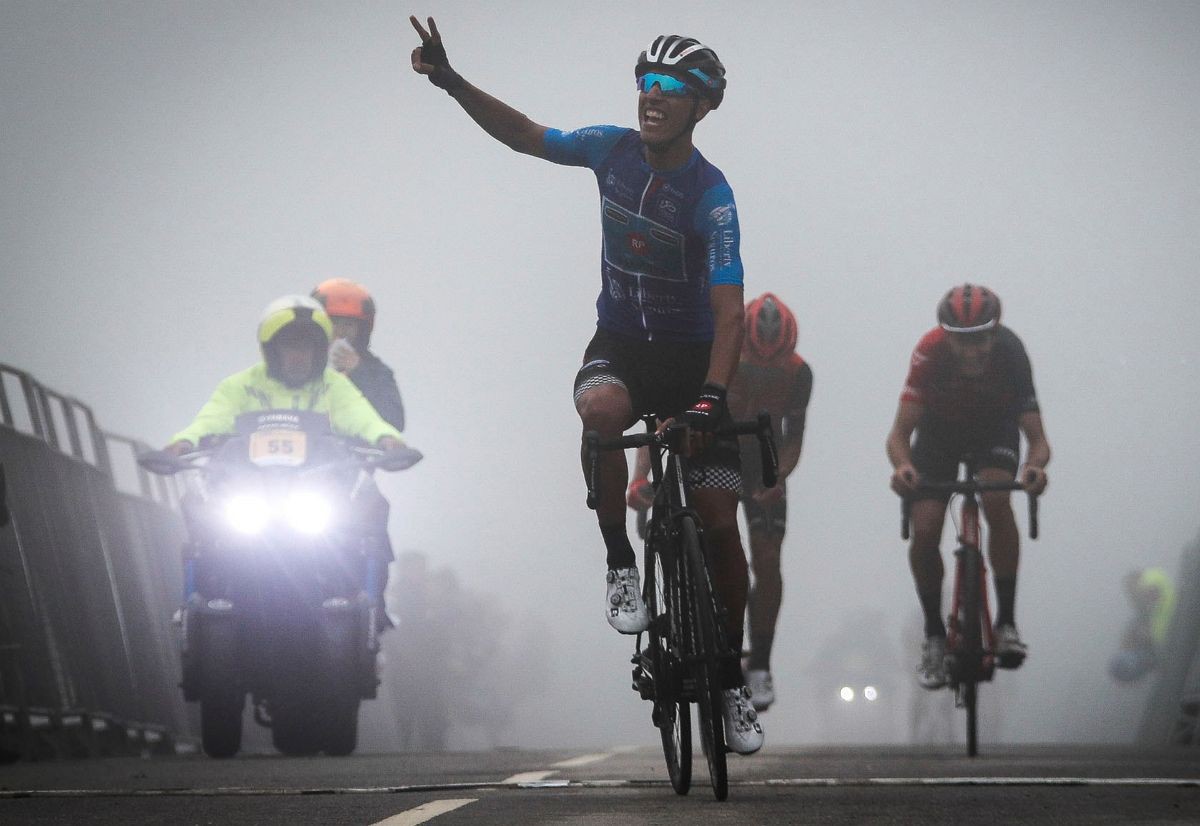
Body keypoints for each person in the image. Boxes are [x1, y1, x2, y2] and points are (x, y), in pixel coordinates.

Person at [410, 18, 762, 753]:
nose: (652, 97)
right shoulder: (608, 149)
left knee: (723, 525)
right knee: (600, 412)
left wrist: (711, 398)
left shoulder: (712, 196)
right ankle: (620, 564)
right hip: (624, 348)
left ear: (703, 106)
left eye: (671, 88)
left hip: (696, 360)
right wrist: (451, 81)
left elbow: (731, 316)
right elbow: (524, 134)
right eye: (645, 82)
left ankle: (729, 678)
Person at [163, 295, 418, 625]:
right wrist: (180, 444)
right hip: (250, 495)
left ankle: (372, 609)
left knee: (373, 505)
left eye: (307, 347)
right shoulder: (241, 386)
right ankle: (195, 605)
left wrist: (389, 440)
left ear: (320, 351)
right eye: (290, 346)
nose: (299, 355)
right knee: (196, 502)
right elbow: (209, 420)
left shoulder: (335, 387)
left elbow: (363, 418)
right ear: (272, 349)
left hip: (318, 497)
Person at [628, 292, 811, 712]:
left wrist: (777, 477)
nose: (763, 371)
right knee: (705, 534)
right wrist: (641, 478)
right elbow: (658, 422)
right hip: (710, 449)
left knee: (766, 561)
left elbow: (794, 439)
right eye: (752, 364)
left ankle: (759, 661)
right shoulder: (712, 353)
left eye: (774, 366)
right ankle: (680, 623)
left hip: (760, 461)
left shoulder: (801, 375)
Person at [886, 284, 1050, 690]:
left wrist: (1033, 468)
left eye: (979, 340)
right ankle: (934, 637)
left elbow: (1038, 439)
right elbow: (899, 435)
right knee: (924, 530)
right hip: (940, 435)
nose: (971, 351)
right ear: (946, 337)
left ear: (995, 334)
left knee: (997, 500)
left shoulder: (1012, 354)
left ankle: (1006, 623)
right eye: (961, 341)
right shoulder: (930, 352)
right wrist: (904, 467)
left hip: (994, 430)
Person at [311, 278, 406, 433]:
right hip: (302, 450)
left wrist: (359, 372)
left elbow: (393, 421)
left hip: (355, 453)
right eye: (334, 322)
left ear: (361, 330)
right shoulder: (298, 364)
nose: (341, 331)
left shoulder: (377, 372)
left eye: (348, 324)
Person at [1109, 567, 1176, 683]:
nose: (1132, 598)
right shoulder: (1139, 622)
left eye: (1133, 592)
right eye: (1130, 594)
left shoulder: (1170, 610)